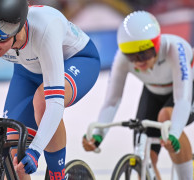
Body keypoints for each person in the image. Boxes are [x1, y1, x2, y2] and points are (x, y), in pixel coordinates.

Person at [0, 0, 101, 179]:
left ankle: (56, 175)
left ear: (18, 27)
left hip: (77, 60)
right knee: (15, 152)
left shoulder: (45, 29)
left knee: (43, 102)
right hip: (28, 71)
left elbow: (54, 103)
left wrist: (36, 151)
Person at [82, 10, 193, 180]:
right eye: (131, 56)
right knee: (144, 158)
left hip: (186, 90)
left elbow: (183, 99)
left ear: (156, 44)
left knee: (166, 117)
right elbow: (112, 100)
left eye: (145, 53)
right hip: (153, 92)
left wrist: (175, 132)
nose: (139, 60)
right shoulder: (121, 58)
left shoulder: (175, 49)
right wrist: (99, 134)